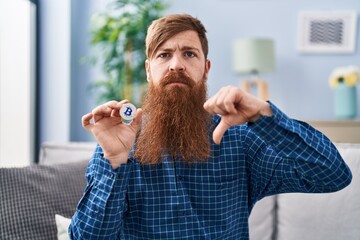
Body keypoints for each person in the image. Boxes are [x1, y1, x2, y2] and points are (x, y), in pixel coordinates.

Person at [69, 14, 352, 239]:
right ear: (148, 70)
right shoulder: (121, 142)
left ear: (206, 68)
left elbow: (333, 175)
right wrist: (115, 163)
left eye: (189, 54)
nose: (176, 65)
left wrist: (263, 115)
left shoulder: (240, 141)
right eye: (163, 55)